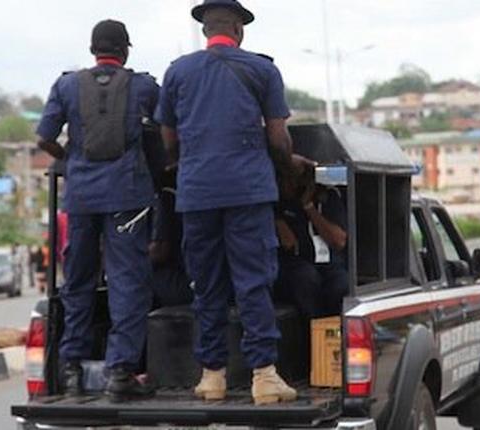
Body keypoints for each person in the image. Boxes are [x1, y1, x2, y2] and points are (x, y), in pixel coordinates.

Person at [156, 0, 302, 405]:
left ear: (206, 30)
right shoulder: (262, 69)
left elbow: (168, 138)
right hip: (248, 191)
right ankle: (264, 377)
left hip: (197, 193)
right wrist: (288, 167)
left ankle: (212, 376)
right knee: (253, 281)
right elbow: (277, 137)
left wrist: (188, 164)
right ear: (239, 30)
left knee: (207, 284)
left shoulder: (177, 71)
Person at [36, 19, 159, 401]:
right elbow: (167, 132)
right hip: (127, 197)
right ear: (125, 51)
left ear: (93, 50)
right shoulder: (143, 86)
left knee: (78, 280)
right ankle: (120, 372)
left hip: (81, 199)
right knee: (127, 282)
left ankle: (72, 369)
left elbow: (44, 137)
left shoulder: (66, 85)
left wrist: (70, 160)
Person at [275, 167, 348, 319]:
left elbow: (338, 241)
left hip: (329, 263)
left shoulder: (328, 197)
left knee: (341, 285)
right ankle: (315, 334)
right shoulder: (277, 204)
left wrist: (309, 207)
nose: (291, 185)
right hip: (296, 263)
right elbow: (288, 243)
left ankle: (333, 335)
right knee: (306, 279)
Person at [149, 173, 193, 308]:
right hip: (198, 280)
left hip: (178, 281)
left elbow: (160, 251)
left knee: (128, 274)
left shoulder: (165, 198)